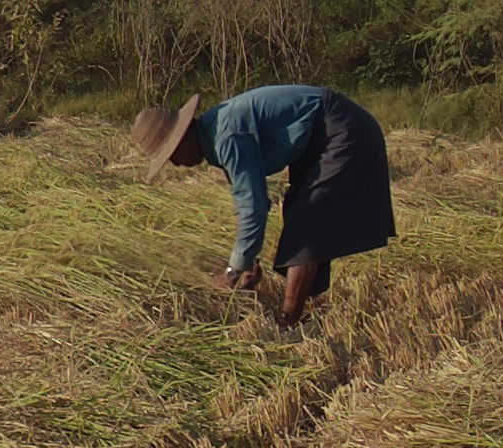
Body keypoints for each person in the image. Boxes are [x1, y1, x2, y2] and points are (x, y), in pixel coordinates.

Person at [128, 84, 397, 327]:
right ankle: (306, 311)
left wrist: (233, 271)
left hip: (341, 130)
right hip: (321, 137)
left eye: (172, 154)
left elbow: (253, 205)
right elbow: (248, 197)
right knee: (299, 213)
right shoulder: (217, 130)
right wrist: (248, 260)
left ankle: (288, 322)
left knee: (307, 224)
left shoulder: (226, 136)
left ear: (185, 135)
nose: (175, 163)